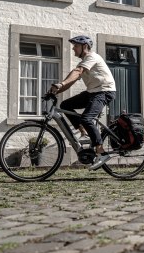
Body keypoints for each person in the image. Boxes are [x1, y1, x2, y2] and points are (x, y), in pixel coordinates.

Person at [49, 35, 116, 170]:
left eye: (76, 46)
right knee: (65, 105)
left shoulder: (92, 57)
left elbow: (77, 72)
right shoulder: (85, 61)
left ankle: (101, 152)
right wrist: (56, 91)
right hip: (92, 92)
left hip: (104, 91)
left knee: (87, 118)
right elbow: (73, 80)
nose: (73, 48)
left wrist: (60, 84)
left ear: (84, 46)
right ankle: (83, 132)